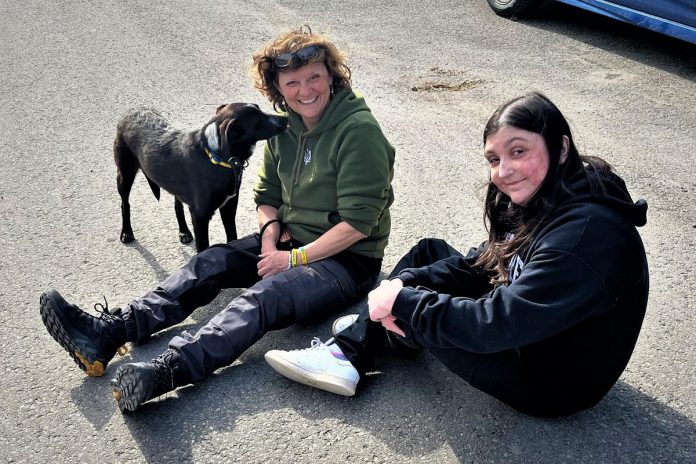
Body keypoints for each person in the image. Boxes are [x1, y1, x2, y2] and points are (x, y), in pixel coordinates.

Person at [39, 26, 395, 413]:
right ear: (277, 86)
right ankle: (109, 332)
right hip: (292, 241)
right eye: (292, 82)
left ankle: (168, 370)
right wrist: (270, 242)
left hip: (347, 260)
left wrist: (290, 261)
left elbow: (358, 225)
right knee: (210, 261)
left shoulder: (359, 133)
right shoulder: (285, 128)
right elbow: (267, 197)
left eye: (315, 77)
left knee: (263, 298)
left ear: (332, 75)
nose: (305, 90)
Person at [265, 92, 650, 418]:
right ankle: (378, 331)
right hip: (535, 328)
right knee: (427, 254)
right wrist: (407, 289)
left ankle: (350, 354)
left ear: (561, 147)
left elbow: (494, 325)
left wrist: (406, 303)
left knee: (412, 306)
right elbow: (482, 263)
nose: (505, 171)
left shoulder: (585, 238)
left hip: (548, 381)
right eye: (494, 159)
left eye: (519, 151)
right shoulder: (551, 193)